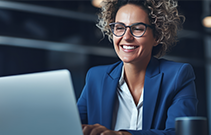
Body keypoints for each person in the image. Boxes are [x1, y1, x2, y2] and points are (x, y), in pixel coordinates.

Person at [77, 0, 198, 135]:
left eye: (138, 28)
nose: (126, 37)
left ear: (157, 36)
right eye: (119, 28)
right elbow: (72, 126)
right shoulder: (96, 77)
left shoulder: (178, 76)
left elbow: (181, 133)